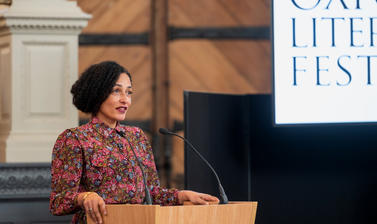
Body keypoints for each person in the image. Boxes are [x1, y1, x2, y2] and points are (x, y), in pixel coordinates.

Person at [49, 61, 219, 224]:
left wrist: (182, 195)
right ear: (97, 93)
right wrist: (84, 196)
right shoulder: (74, 139)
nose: (125, 100)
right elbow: (57, 201)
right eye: (117, 91)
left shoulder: (137, 136)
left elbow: (152, 192)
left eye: (129, 92)